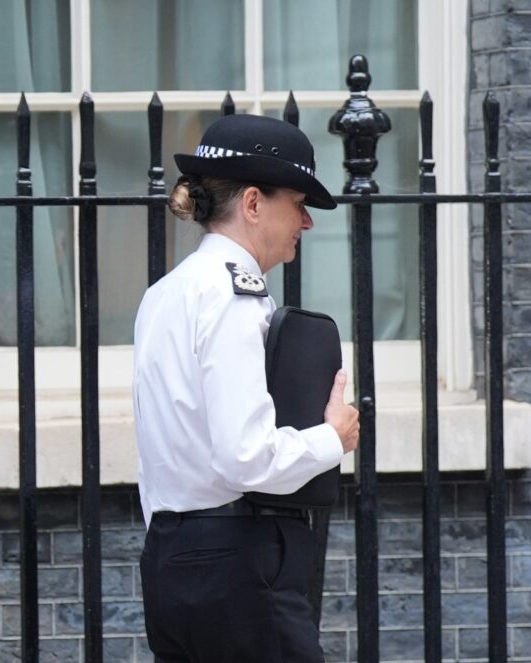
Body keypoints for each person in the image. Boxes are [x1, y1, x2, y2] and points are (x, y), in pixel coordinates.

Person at [133, 113, 360, 663]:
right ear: (254, 204)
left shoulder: (166, 293)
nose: (306, 221)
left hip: (171, 554)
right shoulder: (234, 298)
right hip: (239, 560)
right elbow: (245, 457)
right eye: (298, 203)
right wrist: (334, 438)